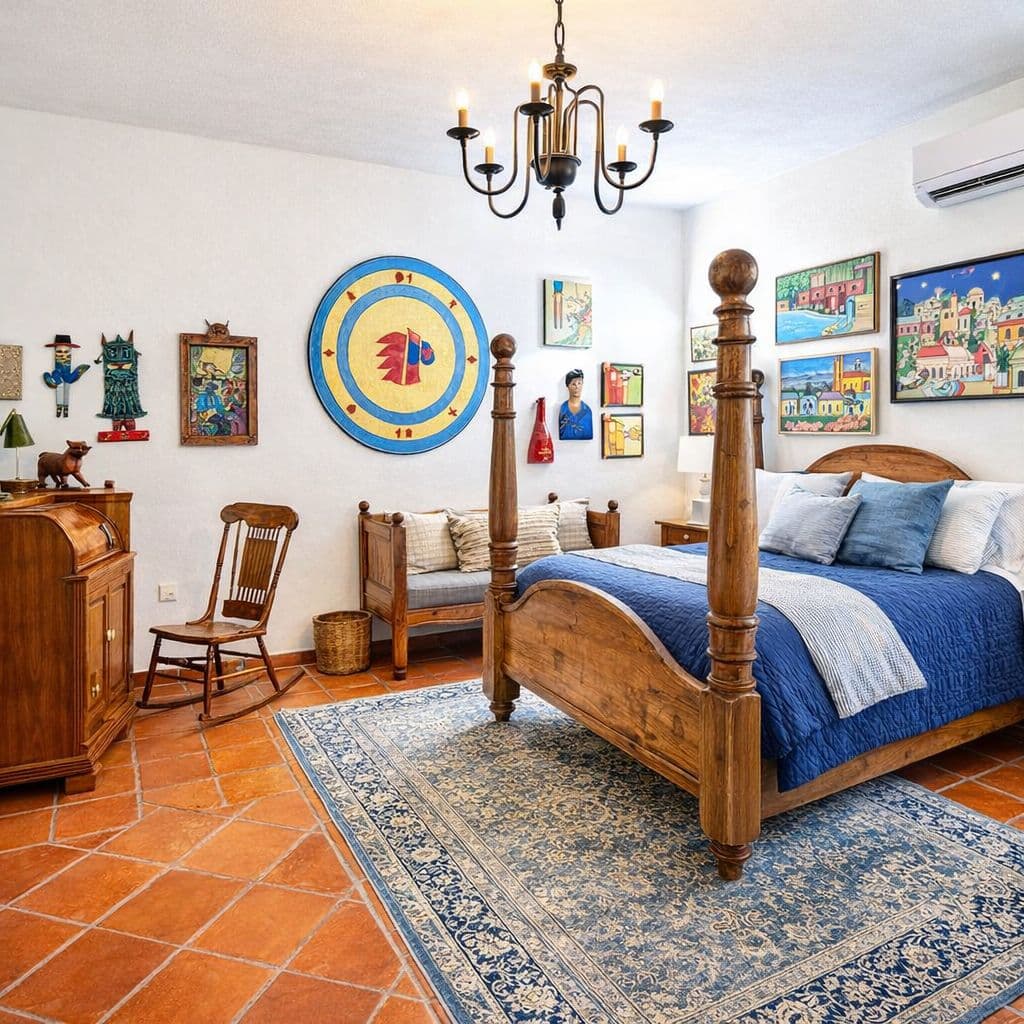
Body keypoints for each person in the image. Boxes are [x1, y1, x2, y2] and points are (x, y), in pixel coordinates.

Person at [558, 368, 593, 440]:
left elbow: (588, 434)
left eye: (579, 383)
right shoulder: (563, 409)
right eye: (573, 384)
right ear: (567, 386)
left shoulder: (587, 410)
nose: (577, 387)